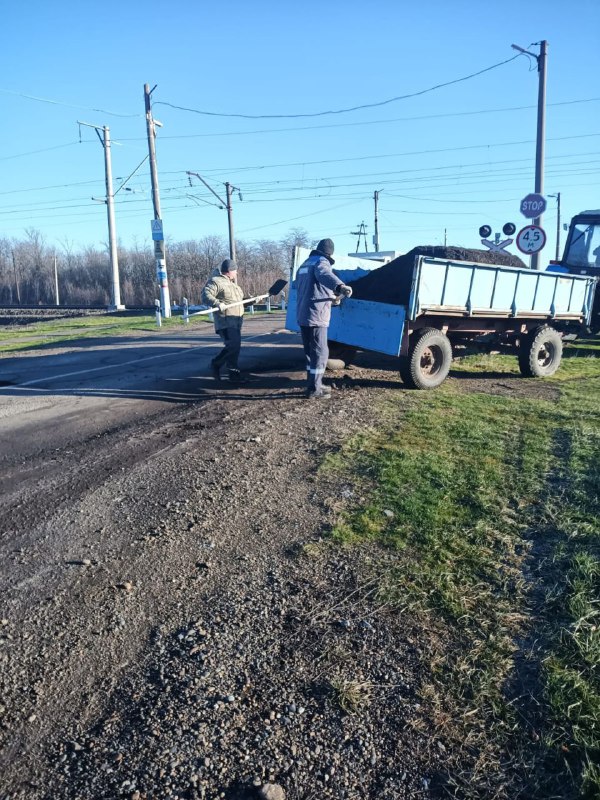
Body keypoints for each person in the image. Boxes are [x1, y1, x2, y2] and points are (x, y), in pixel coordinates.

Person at [295, 238, 353, 399]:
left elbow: (311, 287)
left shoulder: (305, 264)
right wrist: (340, 287)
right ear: (329, 253)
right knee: (320, 352)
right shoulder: (321, 262)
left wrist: (331, 296)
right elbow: (324, 275)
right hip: (316, 315)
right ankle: (315, 390)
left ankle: (314, 384)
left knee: (310, 353)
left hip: (303, 314)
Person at [202, 258, 247, 383]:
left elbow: (240, 303)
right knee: (233, 346)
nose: (236, 273)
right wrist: (217, 303)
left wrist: (253, 300)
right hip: (225, 321)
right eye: (235, 270)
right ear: (229, 270)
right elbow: (205, 296)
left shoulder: (234, 286)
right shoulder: (216, 281)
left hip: (236, 322)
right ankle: (216, 363)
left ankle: (234, 376)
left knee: (235, 348)